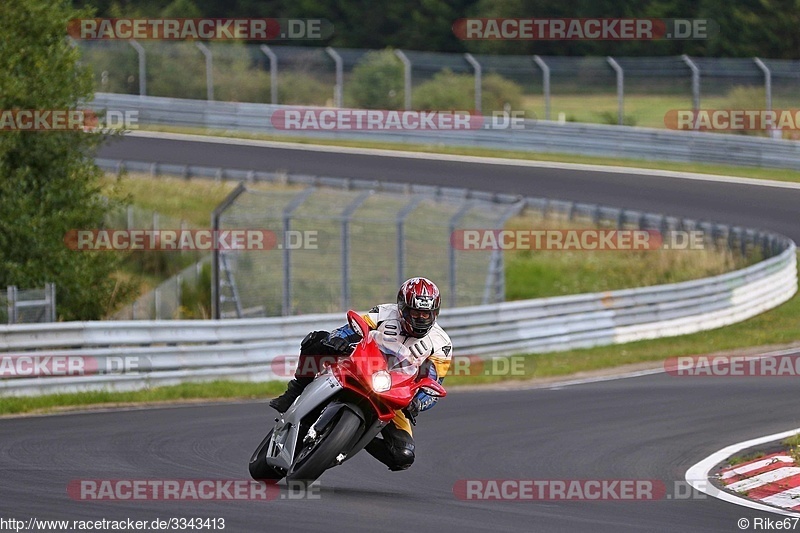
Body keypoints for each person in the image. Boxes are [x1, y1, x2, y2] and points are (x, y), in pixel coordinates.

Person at [269, 277, 453, 471]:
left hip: (395, 392)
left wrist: (418, 402)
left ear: (435, 313)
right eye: (415, 312)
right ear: (402, 307)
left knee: (403, 455)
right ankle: (294, 391)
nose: (420, 318)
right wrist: (339, 339)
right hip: (361, 365)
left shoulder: (442, 344)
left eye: (426, 314)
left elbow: (433, 381)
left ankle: (354, 438)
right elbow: (354, 328)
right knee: (317, 340)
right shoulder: (384, 312)